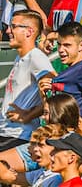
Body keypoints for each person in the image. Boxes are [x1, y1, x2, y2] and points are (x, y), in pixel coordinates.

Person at [0, 10, 55, 146]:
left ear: (29, 32)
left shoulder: (35, 57)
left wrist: (29, 114)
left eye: (13, 26)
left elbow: (53, 88)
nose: (8, 31)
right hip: (7, 133)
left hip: (18, 135)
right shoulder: (21, 57)